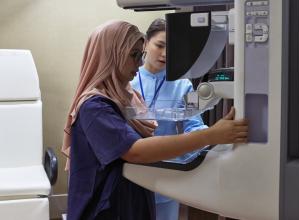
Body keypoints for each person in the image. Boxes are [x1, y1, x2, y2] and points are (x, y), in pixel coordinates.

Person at [62, 20, 248, 220]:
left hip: (150, 183)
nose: (139, 62)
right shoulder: (96, 106)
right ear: (111, 54)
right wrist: (211, 135)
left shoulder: (130, 92)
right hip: (107, 205)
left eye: (138, 55)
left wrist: (215, 140)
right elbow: (135, 151)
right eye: (134, 55)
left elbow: (193, 123)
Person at [131, 18, 208, 220]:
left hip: (167, 172)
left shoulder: (185, 85)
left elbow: (195, 124)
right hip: (130, 170)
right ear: (145, 43)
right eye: (160, 45)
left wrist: (210, 139)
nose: (165, 54)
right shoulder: (126, 80)